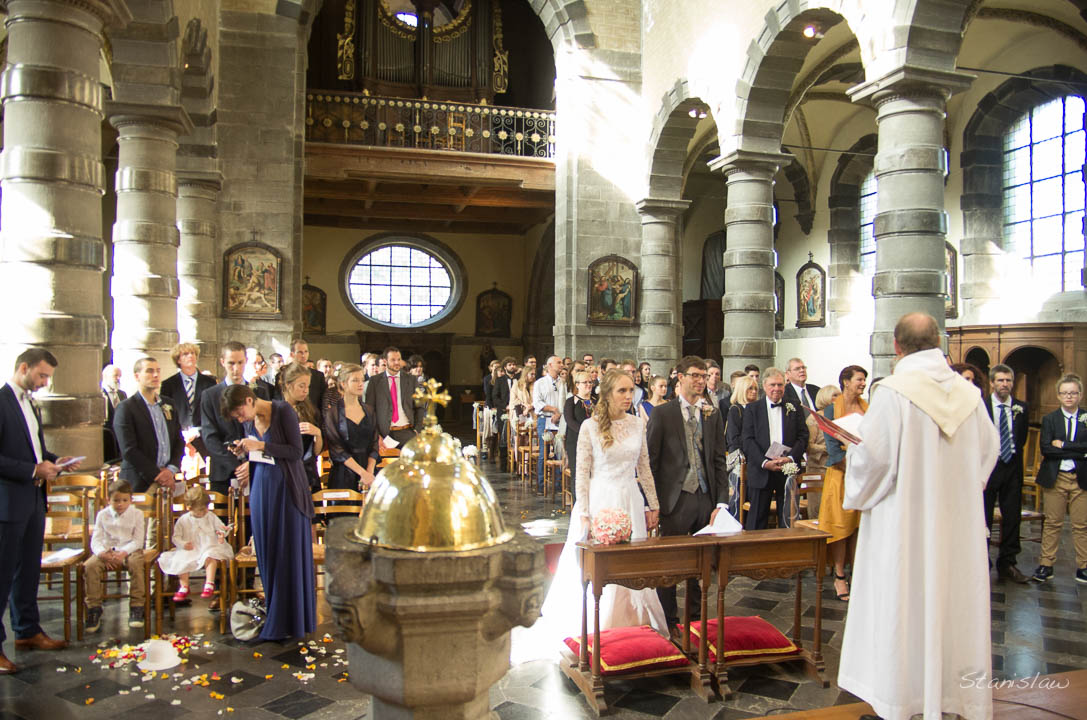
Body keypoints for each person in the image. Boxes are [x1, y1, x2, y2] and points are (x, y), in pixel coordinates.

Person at [838, 312, 999, 720]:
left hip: (904, 528)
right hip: (956, 528)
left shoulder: (894, 392)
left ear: (897, 346)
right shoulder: (969, 396)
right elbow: (988, 453)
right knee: (954, 606)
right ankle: (951, 700)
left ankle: (900, 701)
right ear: (939, 341)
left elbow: (872, 462)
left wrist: (853, 451)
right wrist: (961, 489)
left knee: (902, 605)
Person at [540, 370, 666, 637]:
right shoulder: (589, 426)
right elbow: (582, 473)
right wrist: (584, 511)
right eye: (622, 391)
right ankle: (598, 623)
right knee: (600, 565)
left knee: (631, 565)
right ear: (606, 394)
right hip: (600, 499)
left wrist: (653, 505)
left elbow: (644, 468)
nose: (628, 396)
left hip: (630, 498)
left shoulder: (637, 424)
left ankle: (633, 621)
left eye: (631, 390)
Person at [0, 348, 76, 669]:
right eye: (42, 375)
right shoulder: (2, 402)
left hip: (33, 499)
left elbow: (35, 449)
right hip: (8, 502)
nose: (45, 382)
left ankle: (27, 629)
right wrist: (33, 471)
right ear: (23, 368)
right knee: (3, 573)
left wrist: (53, 460)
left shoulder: (31, 403)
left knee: (28, 568)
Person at [222, 384, 316, 641]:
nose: (241, 420)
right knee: (267, 549)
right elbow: (259, 451)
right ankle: (273, 611)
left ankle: (290, 619)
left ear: (250, 400)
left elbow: (296, 452)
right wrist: (245, 450)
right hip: (262, 485)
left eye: (240, 414)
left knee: (286, 550)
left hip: (286, 486)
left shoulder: (283, 411)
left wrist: (260, 446)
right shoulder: (250, 421)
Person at [647, 357, 729, 629]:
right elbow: (652, 462)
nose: (701, 380)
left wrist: (721, 502)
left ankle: (695, 622)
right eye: (694, 375)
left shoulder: (712, 413)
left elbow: (718, 459)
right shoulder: (663, 414)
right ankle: (669, 621)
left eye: (704, 376)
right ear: (679, 377)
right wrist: (654, 503)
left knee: (701, 566)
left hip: (704, 498)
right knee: (669, 566)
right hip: (675, 498)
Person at [818, 365, 868, 601]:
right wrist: (853, 465)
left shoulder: (867, 408)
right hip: (841, 474)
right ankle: (839, 575)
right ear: (846, 381)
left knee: (859, 526)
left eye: (864, 380)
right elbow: (832, 447)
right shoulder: (831, 411)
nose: (863, 383)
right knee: (841, 526)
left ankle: (858, 573)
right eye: (859, 379)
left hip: (864, 476)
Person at [1033, 373, 1087, 584]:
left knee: (1081, 525)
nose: (1069, 397)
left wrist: (1063, 445)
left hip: (1081, 478)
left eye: (1073, 393)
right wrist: (1080, 452)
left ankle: (1083, 567)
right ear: (1058, 396)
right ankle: (1046, 565)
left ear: (1080, 395)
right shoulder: (1050, 419)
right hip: (1056, 478)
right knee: (1053, 523)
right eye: (1065, 393)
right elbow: (1046, 448)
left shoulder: (1086, 418)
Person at [741, 368, 808, 530]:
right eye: (772, 385)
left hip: (787, 469)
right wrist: (764, 462)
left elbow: (803, 436)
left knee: (788, 519)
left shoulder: (794, 407)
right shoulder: (752, 409)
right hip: (761, 470)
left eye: (780, 385)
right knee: (757, 521)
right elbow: (747, 440)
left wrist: (790, 458)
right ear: (764, 385)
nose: (776, 388)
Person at [983, 364, 1030, 583]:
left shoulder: (1021, 407)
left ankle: (1008, 562)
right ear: (992, 383)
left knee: (1012, 515)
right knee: (984, 515)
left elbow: (1021, 438)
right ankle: (983, 561)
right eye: (1000, 380)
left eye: (1008, 380)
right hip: (989, 467)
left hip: (1012, 466)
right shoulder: (982, 406)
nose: (1005, 384)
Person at [201, 342, 264, 497]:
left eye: (240, 363)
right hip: (223, 471)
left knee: (253, 520)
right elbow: (210, 437)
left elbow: (266, 431)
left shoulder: (260, 391)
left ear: (246, 361)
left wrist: (252, 463)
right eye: (231, 363)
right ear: (222, 362)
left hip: (255, 468)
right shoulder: (210, 395)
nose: (236, 369)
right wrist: (236, 466)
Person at [113, 357, 184, 494]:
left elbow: (178, 440)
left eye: (158, 371)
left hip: (168, 479)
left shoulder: (168, 404)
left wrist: (171, 470)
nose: (156, 375)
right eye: (150, 371)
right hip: (140, 480)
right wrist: (157, 474)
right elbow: (129, 449)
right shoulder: (126, 408)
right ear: (137, 376)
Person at [84, 479, 146, 632]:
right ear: (108, 500)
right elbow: (96, 540)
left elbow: (138, 540)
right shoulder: (102, 515)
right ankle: (94, 607)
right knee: (90, 566)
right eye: (116, 500)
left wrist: (123, 553)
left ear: (131, 500)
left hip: (129, 549)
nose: (120, 504)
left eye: (125, 500)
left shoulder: (137, 514)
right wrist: (103, 554)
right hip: (107, 550)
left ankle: (137, 606)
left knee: (136, 564)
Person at [158, 485, 234, 603]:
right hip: (192, 548)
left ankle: (209, 583)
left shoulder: (210, 516)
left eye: (206, 508)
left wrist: (222, 532)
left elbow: (221, 528)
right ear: (189, 507)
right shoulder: (183, 520)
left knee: (210, 557)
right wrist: (183, 544)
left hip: (208, 546)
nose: (204, 511)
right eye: (200, 510)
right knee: (181, 559)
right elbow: (175, 537)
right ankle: (184, 586)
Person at [324, 364, 380, 492]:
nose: (361, 384)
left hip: (369, 471)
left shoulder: (369, 410)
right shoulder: (333, 413)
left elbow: (374, 444)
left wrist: (369, 472)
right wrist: (362, 473)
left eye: (362, 380)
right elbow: (337, 449)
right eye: (355, 380)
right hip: (344, 473)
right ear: (343, 384)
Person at [364, 346, 424, 448]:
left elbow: (419, 406)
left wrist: (417, 430)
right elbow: (370, 410)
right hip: (385, 435)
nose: (397, 363)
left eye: (399, 359)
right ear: (385, 361)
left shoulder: (411, 380)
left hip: (407, 432)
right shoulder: (375, 381)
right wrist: (376, 435)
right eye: (393, 360)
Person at [280, 362, 324, 491]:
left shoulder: (311, 411)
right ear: (288, 385)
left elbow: (316, 452)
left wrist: (317, 433)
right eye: (301, 386)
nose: (306, 390)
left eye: (308, 386)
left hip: (308, 470)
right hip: (285, 470)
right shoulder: (277, 410)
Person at [802, 385, 838, 520]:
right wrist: (827, 448)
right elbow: (809, 445)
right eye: (835, 395)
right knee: (818, 506)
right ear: (825, 397)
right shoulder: (814, 419)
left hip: (834, 466)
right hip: (818, 467)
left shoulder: (837, 416)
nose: (838, 398)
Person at [161, 342, 215, 432]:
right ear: (178, 360)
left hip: (204, 433)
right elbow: (166, 413)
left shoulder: (210, 383)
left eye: (193, 353)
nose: (190, 356)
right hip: (179, 433)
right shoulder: (168, 385)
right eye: (185, 354)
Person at [725, 375, 759, 520]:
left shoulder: (758, 409)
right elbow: (734, 438)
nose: (753, 391)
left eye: (756, 388)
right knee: (738, 497)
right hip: (742, 460)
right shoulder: (736, 410)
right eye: (750, 388)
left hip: (756, 459)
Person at [533, 356, 565, 493]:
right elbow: (537, 403)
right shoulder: (540, 383)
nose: (561, 364)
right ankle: (541, 485)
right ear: (550, 365)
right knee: (543, 453)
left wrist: (559, 414)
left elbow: (564, 400)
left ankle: (558, 485)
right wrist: (553, 409)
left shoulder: (563, 382)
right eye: (559, 362)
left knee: (560, 452)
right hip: (544, 420)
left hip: (559, 421)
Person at [563, 371, 594, 495]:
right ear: (577, 384)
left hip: (594, 442)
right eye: (585, 382)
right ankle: (578, 505)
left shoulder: (596, 401)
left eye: (590, 382)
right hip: (576, 441)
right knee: (578, 474)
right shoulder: (571, 401)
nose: (588, 385)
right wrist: (585, 433)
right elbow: (570, 421)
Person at [288, 338, 326, 411]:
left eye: (306, 352)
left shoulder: (318, 376)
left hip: (313, 416)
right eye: (300, 352)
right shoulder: (283, 375)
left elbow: (322, 400)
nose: (303, 355)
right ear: (292, 354)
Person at [101, 364, 126, 461]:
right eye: (115, 375)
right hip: (108, 437)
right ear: (105, 377)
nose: (118, 379)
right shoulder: (100, 394)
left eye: (119, 376)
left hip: (121, 437)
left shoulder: (122, 394)